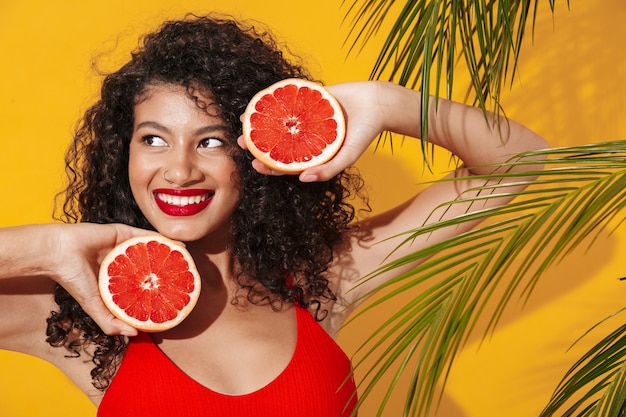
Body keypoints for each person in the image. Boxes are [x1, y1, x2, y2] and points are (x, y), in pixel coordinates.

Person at [0, 13, 547, 417]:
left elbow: (529, 165)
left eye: (212, 141)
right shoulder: (82, 307)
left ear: (255, 153)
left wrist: (388, 104)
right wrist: (42, 249)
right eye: (154, 140)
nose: (180, 170)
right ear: (125, 154)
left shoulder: (318, 279)